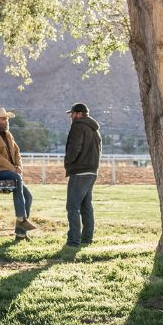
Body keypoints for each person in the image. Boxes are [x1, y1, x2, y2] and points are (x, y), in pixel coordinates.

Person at [0, 107, 37, 239]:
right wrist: (13, 168)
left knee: (28, 197)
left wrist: (19, 166)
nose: (6, 121)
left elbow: (17, 152)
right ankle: (21, 218)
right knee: (16, 178)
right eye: (3, 119)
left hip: (9, 171)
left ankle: (21, 233)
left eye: (6, 118)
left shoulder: (8, 135)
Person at [63, 103, 102, 247]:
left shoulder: (78, 126)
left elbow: (74, 148)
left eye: (72, 114)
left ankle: (73, 241)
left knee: (72, 207)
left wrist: (67, 161)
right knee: (86, 206)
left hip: (79, 172)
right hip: (92, 171)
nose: (71, 117)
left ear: (79, 114)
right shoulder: (95, 130)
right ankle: (87, 238)